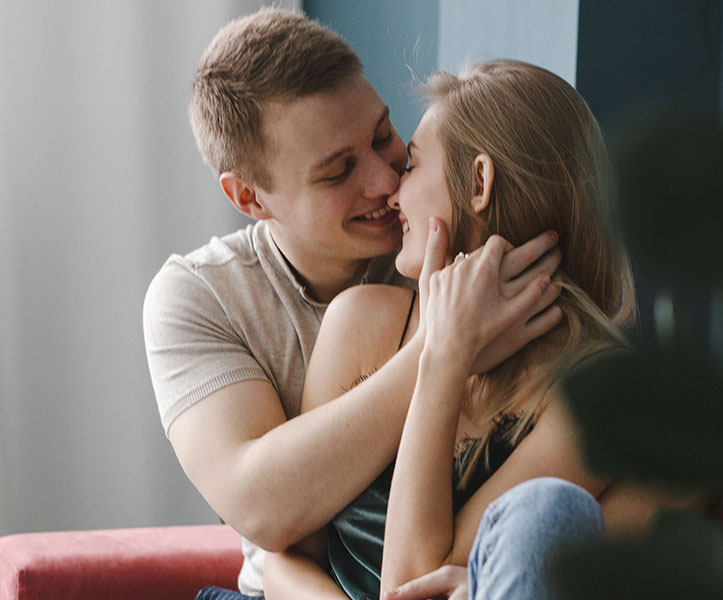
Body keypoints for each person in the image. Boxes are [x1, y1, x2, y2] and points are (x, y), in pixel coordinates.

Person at [143, 9, 561, 598]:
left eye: (385, 136)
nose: (386, 182)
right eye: (339, 171)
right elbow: (267, 517)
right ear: (249, 196)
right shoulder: (199, 296)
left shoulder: (448, 243)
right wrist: (443, 343)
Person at [261, 60, 658, 600]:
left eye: (411, 166)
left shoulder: (595, 392)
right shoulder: (359, 323)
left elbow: (410, 586)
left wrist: (444, 358)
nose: (393, 195)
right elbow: (285, 560)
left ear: (478, 182)